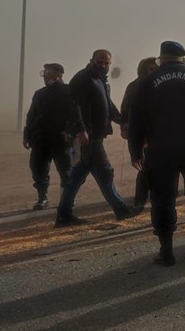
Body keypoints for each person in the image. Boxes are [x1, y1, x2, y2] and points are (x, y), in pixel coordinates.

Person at [127, 41, 185, 266]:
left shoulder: (148, 82)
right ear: (183, 58)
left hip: (162, 151)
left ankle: (166, 251)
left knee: (162, 199)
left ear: (161, 59)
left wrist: (135, 150)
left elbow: (136, 119)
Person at [55, 49, 139, 227]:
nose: (102, 65)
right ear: (91, 60)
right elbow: (74, 105)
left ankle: (63, 214)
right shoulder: (83, 78)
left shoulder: (100, 80)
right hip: (89, 136)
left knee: (77, 176)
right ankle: (121, 210)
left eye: (106, 62)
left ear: (110, 63)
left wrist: (121, 121)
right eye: (99, 62)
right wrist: (80, 129)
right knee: (104, 173)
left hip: (96, 135)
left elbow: (107, 104)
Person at [23, 63, 74, 211]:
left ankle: (67, 199)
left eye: (48, 72)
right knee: (37, 169)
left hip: (61, 139)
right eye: (44, 72)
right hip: (40, 139)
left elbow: (74, 114)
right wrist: (27, 135)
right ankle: (42, 198)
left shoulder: (68, 91)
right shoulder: (39, 93)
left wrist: (69, 131)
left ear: (59, 74)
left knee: (65, 170)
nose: (45, 75)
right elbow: (31, 116)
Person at [120, 57, 159, 210]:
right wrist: (126, 127)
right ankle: (140, 200)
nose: (153, 72)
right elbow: (126, 109)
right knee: (145, 168)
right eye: (150, 69)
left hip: (158, 132)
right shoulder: (135, 86)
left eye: (155, 69)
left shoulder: (160, 84)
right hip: (141, 133)